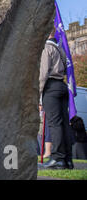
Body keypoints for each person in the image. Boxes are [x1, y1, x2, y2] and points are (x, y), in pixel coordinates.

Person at [40, 28, 74, 169]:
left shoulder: (46, 48)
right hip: (61, 85)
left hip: (50, 86)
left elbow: (43, 73)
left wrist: (38, 96)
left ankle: (57, 158)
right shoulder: (60, 48)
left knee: (54, 124)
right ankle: (67, 159)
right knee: (64, 123)